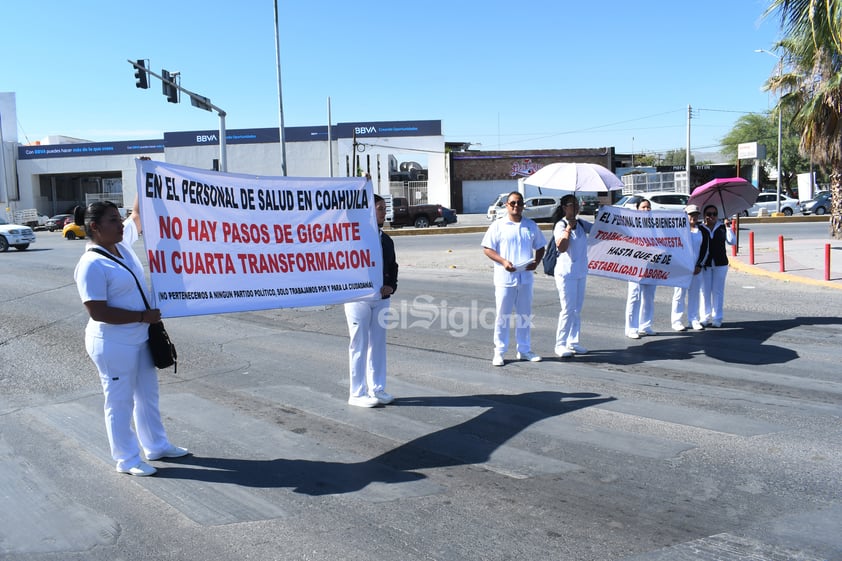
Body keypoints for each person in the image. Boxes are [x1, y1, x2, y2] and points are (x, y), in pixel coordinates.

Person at [74, 198, 188, 477]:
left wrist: (144, 175)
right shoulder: (91, 264)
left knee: (147, 395)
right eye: (112, 220)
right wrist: (141, 317)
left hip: (140, 338)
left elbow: (137, 214)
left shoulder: (121, 246)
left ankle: (157, 446)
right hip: (113, 343)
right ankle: (126, 459)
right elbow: (97, 311)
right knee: (119, 400)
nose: (120, 224)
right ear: (94, 227)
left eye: (118, 217)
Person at [344, 194, 398, 407]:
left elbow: (393, 267)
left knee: (378, 345)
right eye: (379, 208)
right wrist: (360, 190)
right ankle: (357, 393)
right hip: (358, 298)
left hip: (381, 298)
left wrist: (391, 286)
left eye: (385, 208)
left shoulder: (386, 240)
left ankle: (377, 388)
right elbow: (347, 212)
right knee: (359, 344)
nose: (384, 212)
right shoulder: (355, 237)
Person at [481, 191, 546, 366]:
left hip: (525, 277)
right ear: (506, 205)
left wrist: (536, 262)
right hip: (505, 278)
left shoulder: (530, 225)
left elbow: (541, 246)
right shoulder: (498, 225)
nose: (516, 206)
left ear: (523, 205)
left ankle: (524, 349)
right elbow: (487, 248)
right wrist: (502, 261)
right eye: (512, 203)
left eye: (519, 203)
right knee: (503, 316)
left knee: (524, 315)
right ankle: (499, 351)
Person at [551, 194, 592, 358]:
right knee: (567, 309)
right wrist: (568, 228)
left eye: (576, 204)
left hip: (581, 271)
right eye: (571, 205)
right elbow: (561, 247)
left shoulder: (581, 223)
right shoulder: (560, 225)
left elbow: (599, 229)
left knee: (577, 309)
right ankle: (560, 344)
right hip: (566, 273)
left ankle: (573, 341)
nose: (574, 207)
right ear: (564, 207)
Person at [670, 204, 709, 331]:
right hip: (682, 268)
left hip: (696, 268)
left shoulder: (702, 231)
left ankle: (693, 318)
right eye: (691, 214)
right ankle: (676, 321)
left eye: (695, 215)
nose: (693, 217)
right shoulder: (679, 230)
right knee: (679, 295)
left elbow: (705, 250)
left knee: (694, 294)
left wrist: (699, 265)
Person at [624, 198, 657, 339]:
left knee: (649, 297)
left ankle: (645, 325)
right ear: (637, 209)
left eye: (648, 207)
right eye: (643, 207)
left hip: (651, 266)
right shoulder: (631, 225)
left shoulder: (655, 225)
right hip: (635, 265)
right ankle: (631, 328)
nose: (646, 209)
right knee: (634, 296)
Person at [700, 204, 735, 327]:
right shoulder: (701, 228)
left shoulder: (722, 227)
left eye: (714, 214)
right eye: (709, 214)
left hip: (720, 263)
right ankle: (705, 317)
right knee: (705, 291)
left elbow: (732, 241)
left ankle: (717, 318)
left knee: (718, 291)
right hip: (706, 264)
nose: (712, 216)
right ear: (704, 215)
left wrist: (728, 227)